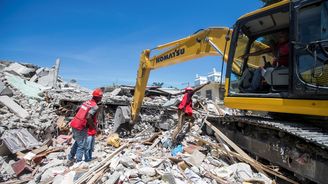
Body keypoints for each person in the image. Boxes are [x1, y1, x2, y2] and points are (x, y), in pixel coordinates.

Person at [68, 88, 103, 163]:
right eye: (101, 97)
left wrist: (80, 117)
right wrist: (96, 128)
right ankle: (79, 162)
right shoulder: (94, 106)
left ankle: (70, 157)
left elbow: (77, 109)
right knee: (82, 146)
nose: (101, 98)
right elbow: (88, 117)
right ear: (98, 97)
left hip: (74, 124)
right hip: (81, 127)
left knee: (78, 142)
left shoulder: (86, 102)